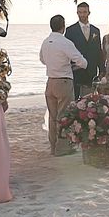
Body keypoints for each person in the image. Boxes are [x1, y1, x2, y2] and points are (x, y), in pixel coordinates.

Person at [40, 14, 87, 155]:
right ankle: (63, 148)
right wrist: (70, 65)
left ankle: (53, 147)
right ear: (63, 26)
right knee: (64, 116)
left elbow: (42, 60)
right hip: (64, 81)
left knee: (52, 117)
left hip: (50, 82)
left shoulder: (46, 41)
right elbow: (82, 62)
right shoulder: (65, 42)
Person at [64, 2, 104, 98]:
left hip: (92, 71)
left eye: (84, 12)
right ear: (77, 13)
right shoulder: (70, 30)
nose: (82, 14)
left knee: (91, 100)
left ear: (89, 13)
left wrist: (102, 69)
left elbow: (98, 51)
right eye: (80, 12)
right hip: (76, 71)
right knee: (76, 100)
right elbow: (66, 51)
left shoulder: (96, 31)